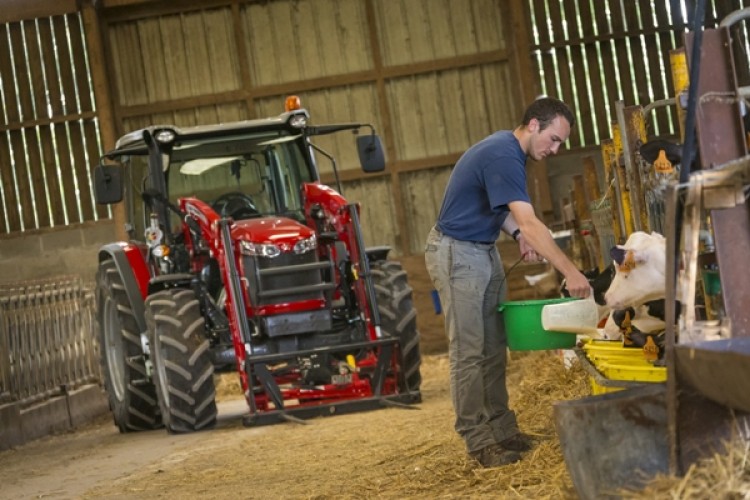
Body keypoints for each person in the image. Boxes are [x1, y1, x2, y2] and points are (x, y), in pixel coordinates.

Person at [424, 97, 591, 468]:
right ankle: (477, 439)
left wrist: (516, 234)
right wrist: (570, 271)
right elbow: (532, 222)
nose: (555, 148)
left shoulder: (510, 153)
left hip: (482, 250)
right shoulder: (503, 154)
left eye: (561, 142)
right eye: (554, 138)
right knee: (469, 351)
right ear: (533, 125)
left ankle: (502, 428)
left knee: (494, 347)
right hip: (457, 252)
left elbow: (505, 213)